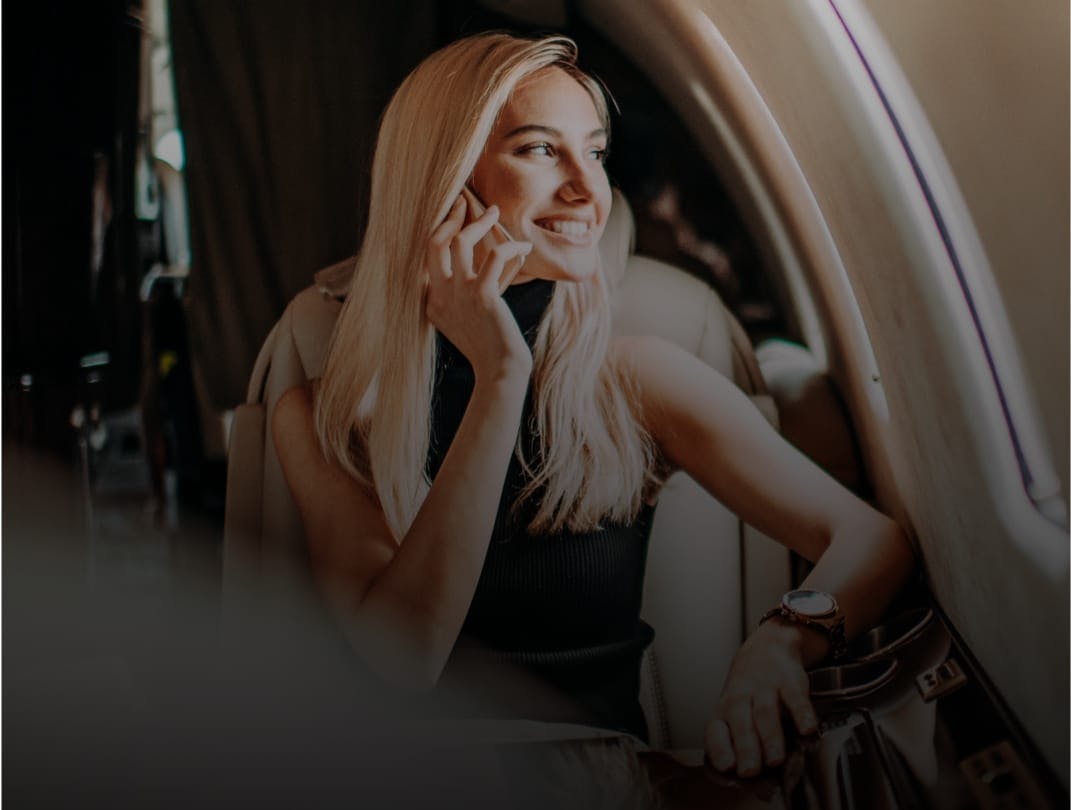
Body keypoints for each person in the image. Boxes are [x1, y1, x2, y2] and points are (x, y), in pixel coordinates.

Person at [272, 32, 916, 778]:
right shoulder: (328, 416)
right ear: (444, 181)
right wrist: (500, 376)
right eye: (541, 151)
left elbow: (871, 540)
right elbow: (405, 656)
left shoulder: (632, 381)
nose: (588, 189)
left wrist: (780, 641)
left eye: (596, 152)